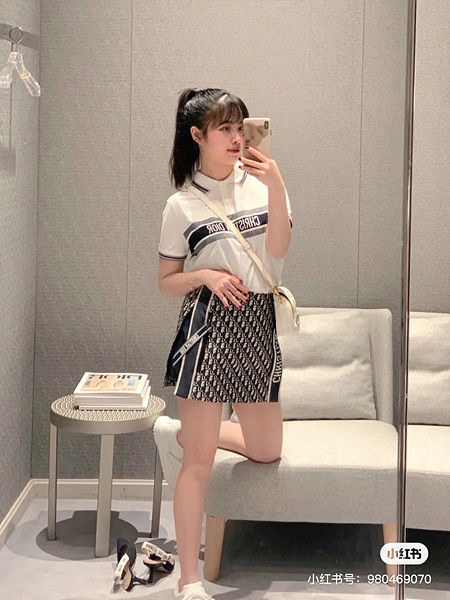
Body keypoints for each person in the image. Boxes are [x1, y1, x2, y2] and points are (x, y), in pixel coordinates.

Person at [154, 87, 292, 600]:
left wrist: (276, 185)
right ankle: (189, 581)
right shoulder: (181, 204)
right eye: (225, 129)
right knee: (199, 464)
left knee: (267, 450)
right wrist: (205, 276)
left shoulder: (263, 185)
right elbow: (166, 281)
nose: (236, 138)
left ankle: (188, 432)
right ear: (198, 135)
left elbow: (278, 252)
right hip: (207, 327)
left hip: (256, 324)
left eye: (240, 127)